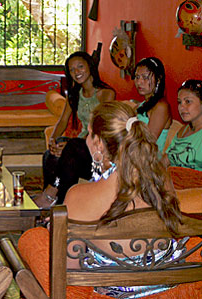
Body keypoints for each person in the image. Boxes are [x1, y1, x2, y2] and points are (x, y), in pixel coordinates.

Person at [19, 101, 183, 298]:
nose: (86, 139)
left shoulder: (77, 195)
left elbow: (72, 269)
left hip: (113, 293)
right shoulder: (162, 178)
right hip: (169, 289)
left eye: (89, 133)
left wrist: (58, 233)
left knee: (35, 239)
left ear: (98, 144)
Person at [37, 51, 115, 207]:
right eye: (72, 70)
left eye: (80, 67)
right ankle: (57, 203)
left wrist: (69, 146)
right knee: (50, 155)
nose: (76, 72)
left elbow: (99, 127)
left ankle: (53, 195)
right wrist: (53, 140)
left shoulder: (107, 94)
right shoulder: (74, 94)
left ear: (90, 67)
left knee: (71, 148)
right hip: (79, 148)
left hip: (98, 149)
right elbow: (63, 120)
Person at [130, 57, 172, 154]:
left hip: (148, 161)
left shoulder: (161, 106)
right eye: (137, 77)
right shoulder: (140, 106)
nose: (139, 82)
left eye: (145, 77)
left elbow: (147, 142)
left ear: (158, 79)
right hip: (134, 155)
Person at [164, 79, 202, 171]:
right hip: (172, 181)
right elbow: (165, 161)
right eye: (179, 102)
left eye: (188, 101)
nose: (181, 107)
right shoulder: (183, 131)